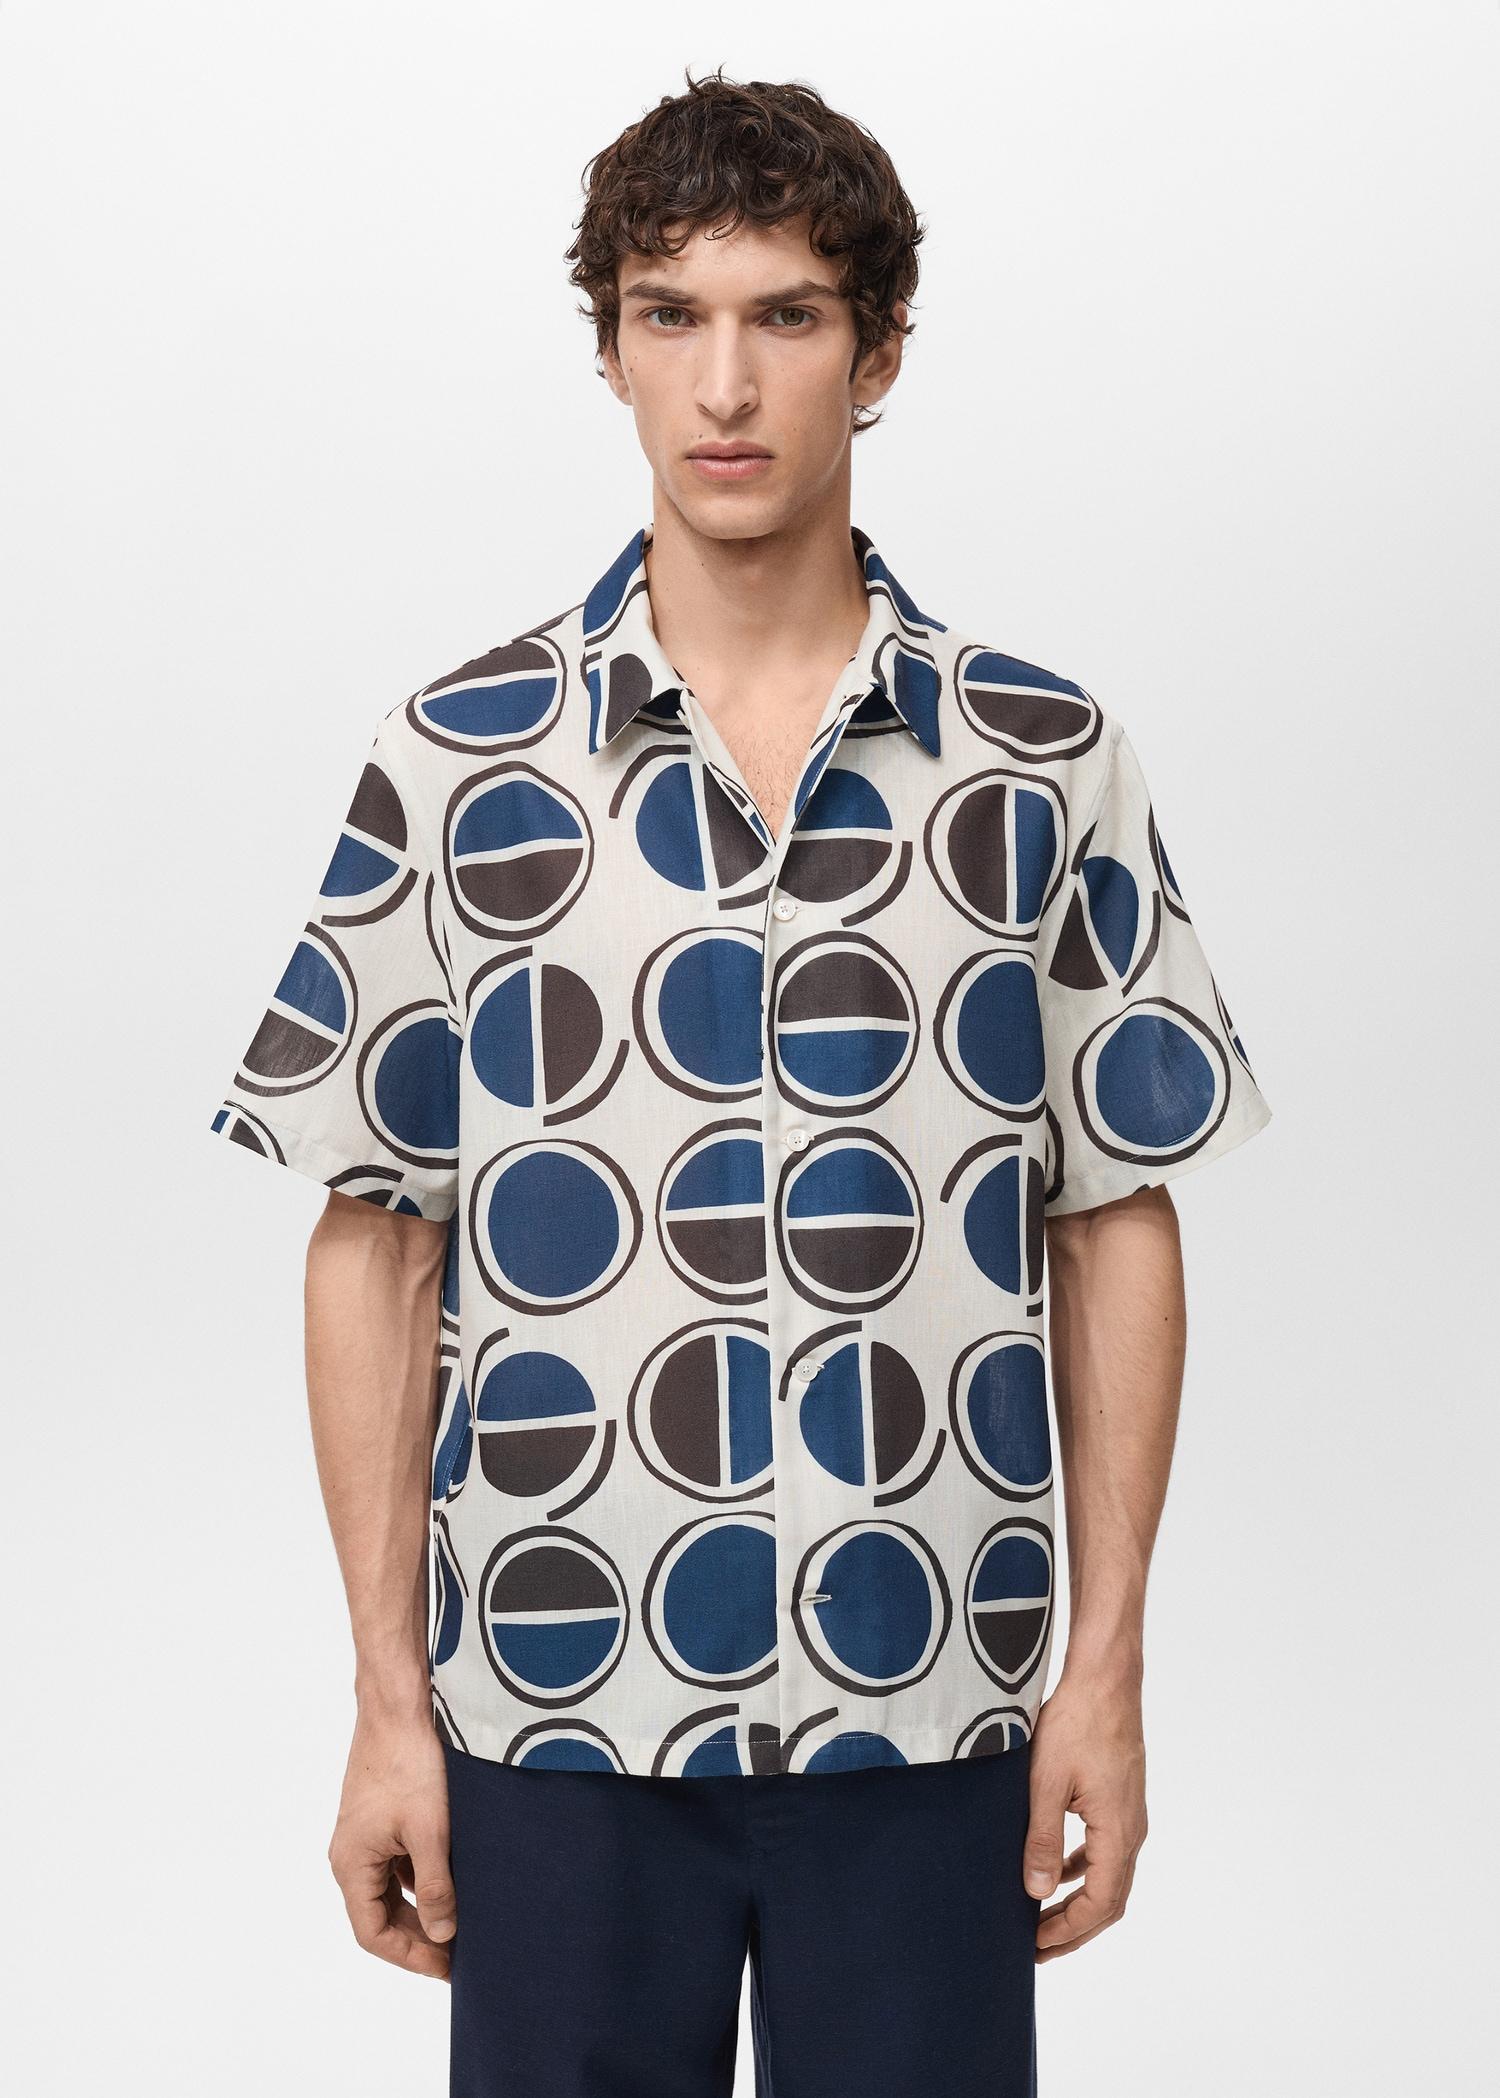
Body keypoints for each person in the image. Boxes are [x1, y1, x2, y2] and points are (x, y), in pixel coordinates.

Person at [209, 66, 1272, 2098]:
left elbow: (1113, 1216)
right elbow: (377, 1240)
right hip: (554, 1709)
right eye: (669, 313)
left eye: (786, 315)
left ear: (879, 351)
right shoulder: (460, 761)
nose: (724, 383)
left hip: (932, 1702)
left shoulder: (1041, 760)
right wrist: (387, 1699)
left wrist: (1107, 1672)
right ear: (609, 345)